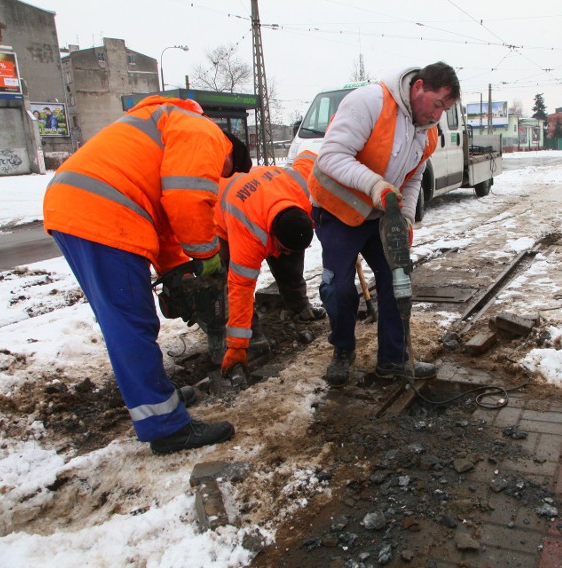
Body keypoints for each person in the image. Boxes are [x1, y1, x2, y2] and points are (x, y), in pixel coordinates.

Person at [43, 95, 252, 455]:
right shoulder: (206, 133)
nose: (218, 177)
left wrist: (175, 270)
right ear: (230, 152)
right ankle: (166, 426)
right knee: (131, 322)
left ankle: (159, 399)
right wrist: (206, 255)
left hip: (79, 203)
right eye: (223, 172)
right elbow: (187, 199)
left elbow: (168, 220)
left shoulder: (165, 122)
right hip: (106, 210)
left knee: (124, 319)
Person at [308, 61, 460, 387]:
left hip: (380, 215)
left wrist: (405, 218)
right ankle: (343, 351)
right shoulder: (369, 103)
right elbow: (331, 156)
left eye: (444, 110)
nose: (437, 116)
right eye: (436, 104)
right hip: (337, 210)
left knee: (398, 277)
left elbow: (414, 175)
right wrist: (375, 185)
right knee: (338, 287)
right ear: (418, 87)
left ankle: (393, 358)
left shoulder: (427, 130)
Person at [215, 150, 324, 376]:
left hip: (266, 194)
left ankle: (299, 307)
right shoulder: (248, 233)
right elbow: (241, 287)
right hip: (223, 212)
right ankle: (251, 334)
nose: (283, 254)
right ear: (271, 237)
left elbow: (310, 156)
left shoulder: (304, 191)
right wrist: (237, 345)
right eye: (280, 248)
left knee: (290, 263)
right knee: (228, 275)